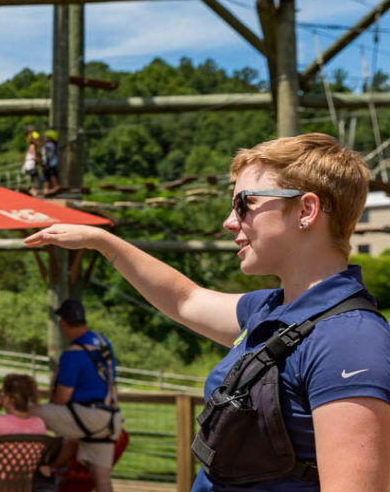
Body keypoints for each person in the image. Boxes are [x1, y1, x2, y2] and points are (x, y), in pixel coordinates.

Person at [25, 133, 390, 491]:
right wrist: (101, 242)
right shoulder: (269, 310)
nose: (229, 222)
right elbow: (185, 300)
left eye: (243, 204)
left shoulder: (349, 340)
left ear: (306, 210)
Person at [37, 299, 122, 492]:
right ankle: (49, 466)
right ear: (84, 320)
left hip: (89, 416)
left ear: (63, 324)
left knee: (31, 412)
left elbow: (61, 399)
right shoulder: (102, 341)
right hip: (112, 418)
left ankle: (31, 466)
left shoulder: (72, 354)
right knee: (102, 481)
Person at [22, 129, 42, 197]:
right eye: (37, 140)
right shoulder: (32, 146)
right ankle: (32, 193)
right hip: (31, 166)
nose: (38, 141)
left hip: (29, 167)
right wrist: (42, 162)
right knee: (38, 181)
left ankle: (30, 191)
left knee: (35, 180)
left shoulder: (32, 146)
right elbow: (35, 157)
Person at [42, 130, 61, 195]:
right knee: (46, 177)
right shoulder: (48, 145)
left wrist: (34, 141)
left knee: (52, 175)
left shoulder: (50, 144)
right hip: (46, 164)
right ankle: (46, 189)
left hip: (51, 164)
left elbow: (44, 147)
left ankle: (55, 186)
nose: (44, 138)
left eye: (46, 137)